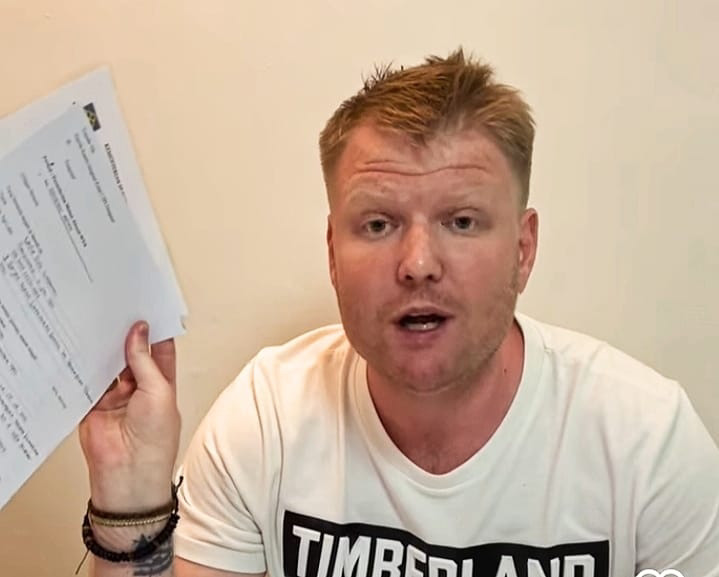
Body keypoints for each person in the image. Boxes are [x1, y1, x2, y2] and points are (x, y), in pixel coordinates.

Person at [79, 49, 719, 577]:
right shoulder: (266, 418)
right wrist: (128, 501)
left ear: (523, 251)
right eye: (378, 224)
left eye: (461, 221)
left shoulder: (646, 444)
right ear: (333, 253)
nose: (417, 263)